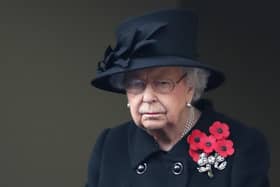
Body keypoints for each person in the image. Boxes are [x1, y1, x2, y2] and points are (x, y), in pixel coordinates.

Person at [85, 9, 270, 187]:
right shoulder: (110, 145)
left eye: (163, 83)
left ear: (191, 86)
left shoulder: (243, 144)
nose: (148, 97)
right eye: (136, 84)